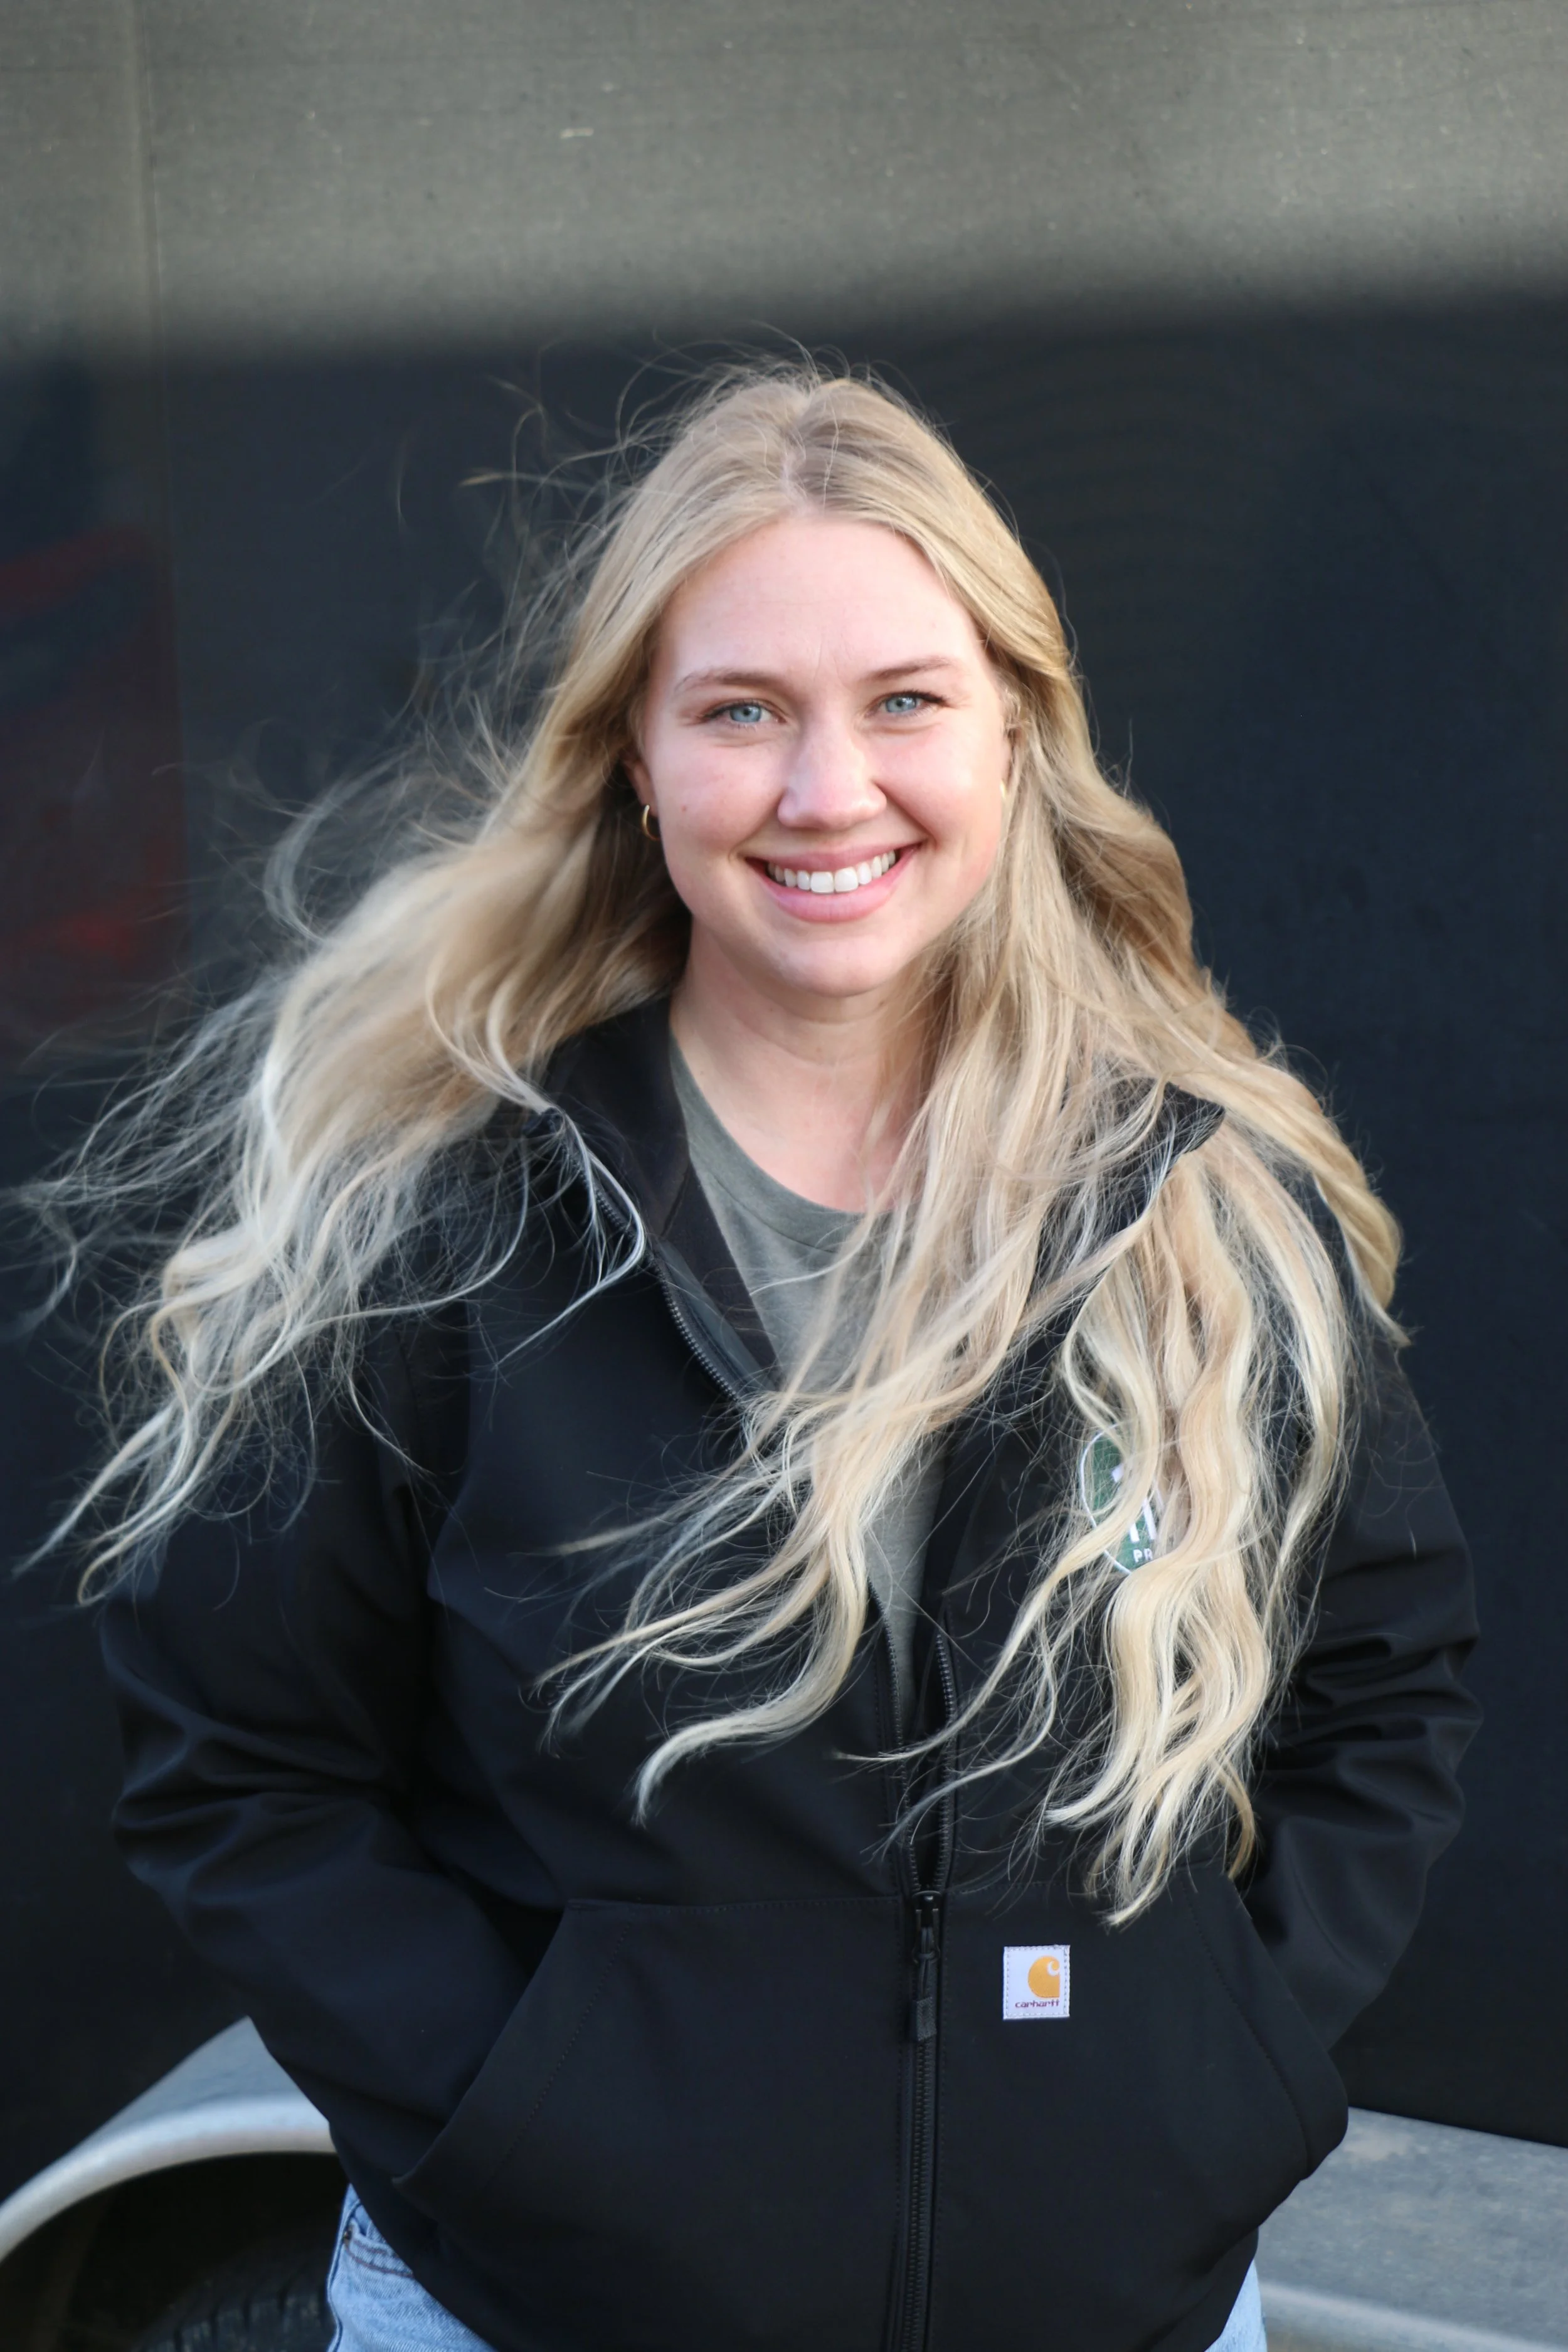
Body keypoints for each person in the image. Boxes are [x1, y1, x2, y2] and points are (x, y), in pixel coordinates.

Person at [63, 366, 1476, 2352]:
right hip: (542, 2315)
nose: (829, 791)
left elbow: (1383, 1674)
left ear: (1014, 735)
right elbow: (244, 1759)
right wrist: (520, 2132)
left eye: (903, 698)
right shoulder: (440, 1218)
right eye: (741, 711)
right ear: (635, 758)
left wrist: (1200, 2071)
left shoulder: (1200, 1210)